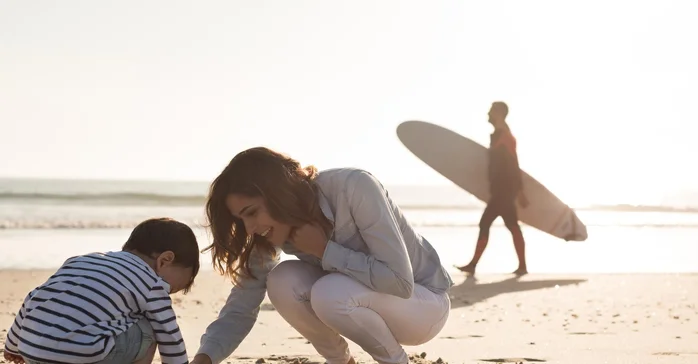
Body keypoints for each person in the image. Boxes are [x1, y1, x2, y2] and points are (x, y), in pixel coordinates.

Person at [191, 147, 453, 364]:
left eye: (251, 212)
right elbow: (241, 307)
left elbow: (400, 283)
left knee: (329, 292)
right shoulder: (269, 233)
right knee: (282, 280)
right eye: (241, 219)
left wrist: (326, 251)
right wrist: (205, 358)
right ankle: (341, 361)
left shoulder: (353, 187)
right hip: (359, 301)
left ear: (277, 193)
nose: (249, 228)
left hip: (424, 305)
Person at [3, 217, 200, 364]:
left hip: (32, 349)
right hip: (83, 356)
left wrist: (13, 346)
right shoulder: (152, 283)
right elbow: (169, 334)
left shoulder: (81, 260)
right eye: (172, 288)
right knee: (150, 324)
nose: (166, 293)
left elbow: (33, 297)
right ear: (165, 260)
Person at [456, 101, 529, 276]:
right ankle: (522, 266)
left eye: (491, 111)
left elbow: (513, 164)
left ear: (498, 113)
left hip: (504, 191)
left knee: (487, 223)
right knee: (512, 225)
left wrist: (519, 192)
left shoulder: (504, 136)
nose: (487, 114)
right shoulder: (500, 135)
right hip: (502, 190)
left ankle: (474, 265)